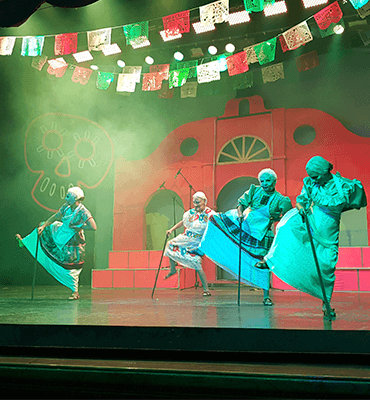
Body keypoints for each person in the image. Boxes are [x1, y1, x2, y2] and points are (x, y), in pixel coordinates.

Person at [262, 156, 367, 317]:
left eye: (316, 176)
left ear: (325, 171)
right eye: (311, 177)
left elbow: (358, 202)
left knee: (327, 265)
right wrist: (302, 208)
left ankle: (326, 302)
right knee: (284, 226)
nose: (313, 180)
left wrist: (337, 211)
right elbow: (301, 201)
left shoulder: (345, 186)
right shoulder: (310, 183)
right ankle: (271, 259)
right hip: (310, 221)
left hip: (329, 230)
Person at [199, 168, 292, 305]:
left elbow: (286, 217)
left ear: (274, 181)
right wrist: (241, 214)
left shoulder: (281, 200)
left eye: (268, 180)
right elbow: (241, 205)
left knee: (262, 264)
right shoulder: (255, 190)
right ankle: (206, 247)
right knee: (214, 218)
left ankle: (266, 296)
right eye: (262, 181)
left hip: (262, 232)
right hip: (245, 223)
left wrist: (274, 219)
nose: (265, 183)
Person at [15, 186, 97, 300]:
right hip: (61, 231)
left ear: (75, 198)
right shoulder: (66, 207)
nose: (66, 198)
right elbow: (55, 217)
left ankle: (75, 291)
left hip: (72, 240)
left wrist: (78, 227)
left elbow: (93, 227)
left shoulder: (83, 212)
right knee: (42, 227)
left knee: (71, 266)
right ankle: (25, 242)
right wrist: (44, 226)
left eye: (68, 196)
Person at [163, 191, 215, 296]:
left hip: (197, 242)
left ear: (204, 201)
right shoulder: (191, 213)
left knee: (196, 263)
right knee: (170, 244)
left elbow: (216, 226)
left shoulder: (210, 213)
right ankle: (173, 269)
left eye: (198, 203)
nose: (196, 206)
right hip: (187, 237)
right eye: (195, 203)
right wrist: (171, 229)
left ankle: (206, 290)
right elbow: (183, 221)